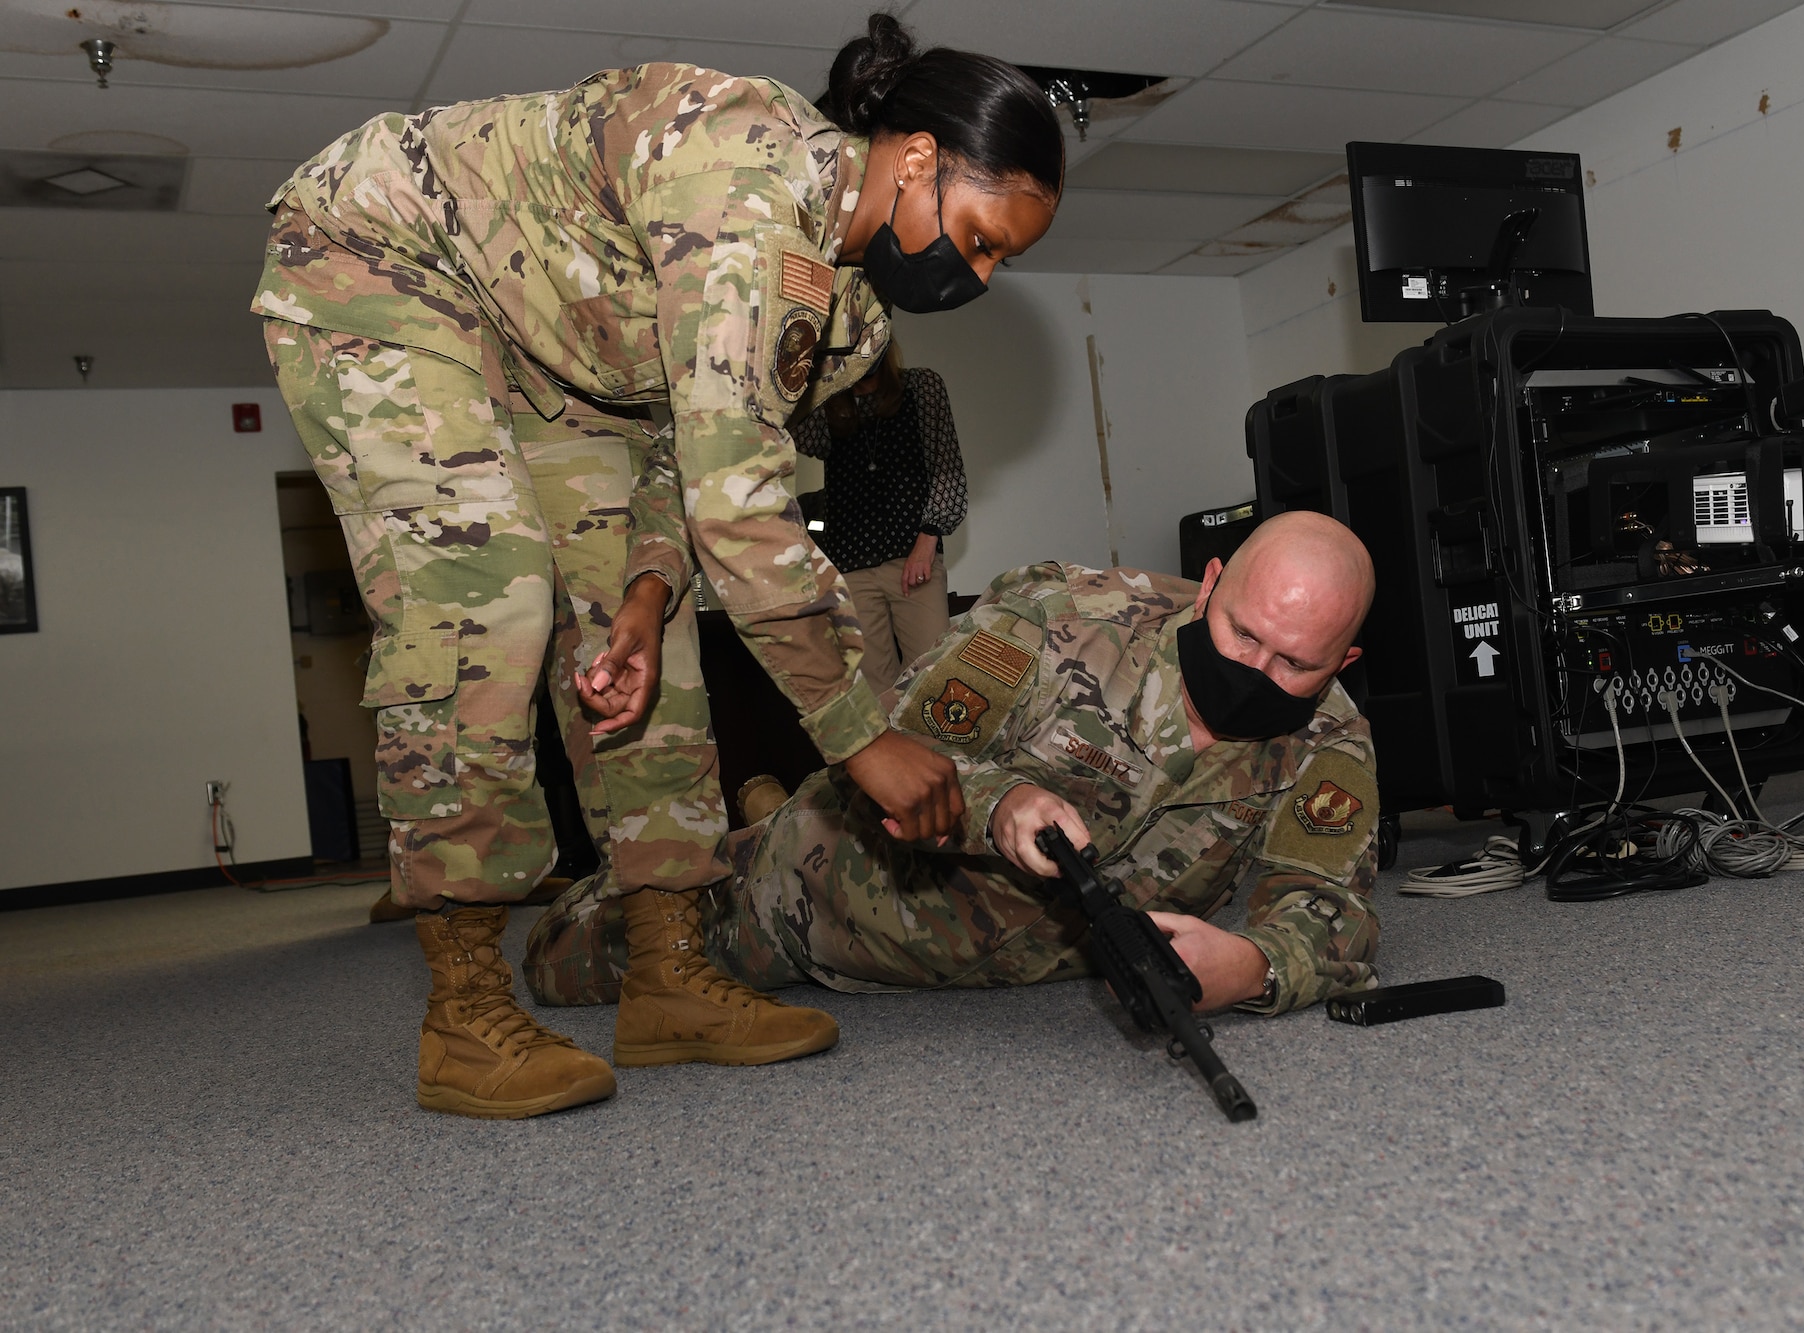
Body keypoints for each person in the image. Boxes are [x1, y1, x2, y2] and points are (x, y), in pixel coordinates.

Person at [251, 13, 1063, 1119]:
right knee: (484, 595)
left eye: (1000, 263)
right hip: (385, 258)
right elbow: (743, 513)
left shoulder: (848, 319)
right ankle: (463, 1006)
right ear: (917, 160)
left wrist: (638, 597)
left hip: (561, 359)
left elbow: (695, 461)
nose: (975, 276)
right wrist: (862, 737)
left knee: (644, 639)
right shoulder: (741, 193)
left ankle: (667, 967)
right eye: (977, 236)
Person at [527, 511, 1382, 1017]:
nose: (1255, 674)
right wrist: (1000, 801)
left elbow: (1328, 906)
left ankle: (757, 799)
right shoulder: (1059, 618)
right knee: (564, 962)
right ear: (1209, 585)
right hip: (822, 898)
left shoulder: (1331, 742)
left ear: (1341, 664)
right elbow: (899, 755)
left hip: (1006, 968)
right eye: (1242, 634)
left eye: (1295, 665)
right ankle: (748, 822)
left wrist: (1255, 968)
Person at [793, 341, 967, 696]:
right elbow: (804, 438)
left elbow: (946, 468)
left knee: (931, 677)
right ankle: (890, 753)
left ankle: (934, 753)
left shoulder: (920, 386)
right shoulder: (830, 403)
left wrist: (927, 540)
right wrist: (815, 376)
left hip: (911, 557)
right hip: (850, 564)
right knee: (872, 686)